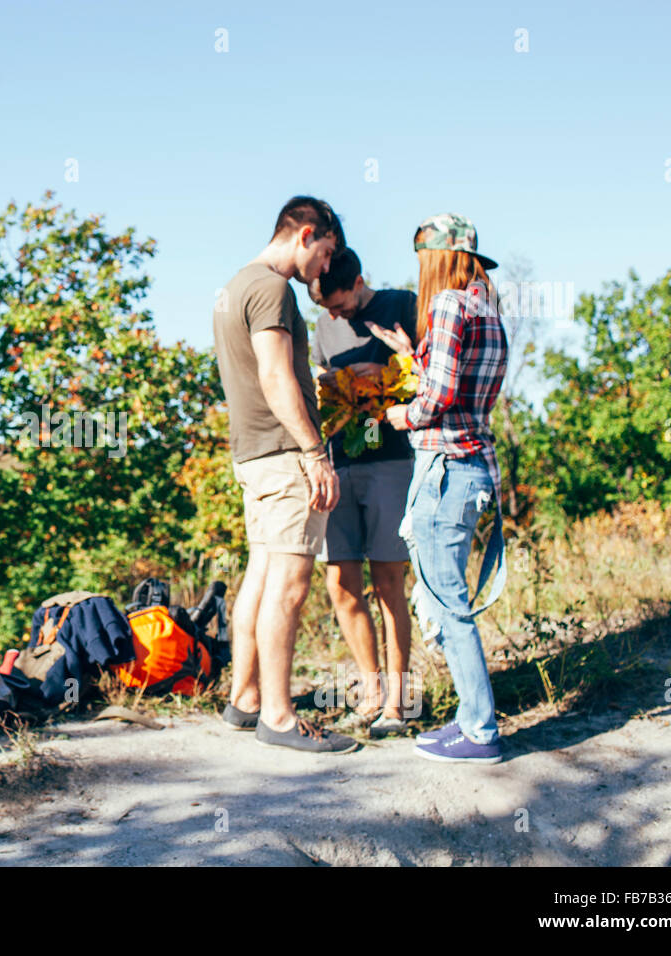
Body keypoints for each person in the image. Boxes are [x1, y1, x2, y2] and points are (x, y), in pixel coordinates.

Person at [212, 196, 358, 754]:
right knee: (290, 584)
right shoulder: (272, 288)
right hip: (283, 455)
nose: (325, 268)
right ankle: (278, 715)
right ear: (305, 233)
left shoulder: (235, 286)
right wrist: (316, 453)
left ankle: (245, 699)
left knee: (262, 573)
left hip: (253, 455)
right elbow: (275, 378)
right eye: (326, 253)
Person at [373, 214, 508, 765]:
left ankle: (479, 729)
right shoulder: (488, 311)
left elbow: (439, 396)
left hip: (445, 468)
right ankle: (468, 720)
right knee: (443, 595)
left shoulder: (449, 305)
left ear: (437, 258)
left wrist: (398, 414)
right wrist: (414, 353)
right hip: (474, 466)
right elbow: (463, 386)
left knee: (447, 601)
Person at [308, 247, 416, 738]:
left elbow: (429, 375)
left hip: (389, 460)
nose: (334, 315)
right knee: (341, 580)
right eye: (325, 308)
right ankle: (370, 693)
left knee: (389, 581)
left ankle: (398, 702)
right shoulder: (323, 326)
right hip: (339, 459)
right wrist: (331, 382)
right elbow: (315, 385)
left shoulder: (401, 305)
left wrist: (391, 373)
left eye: (339, 304)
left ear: (359, 281)